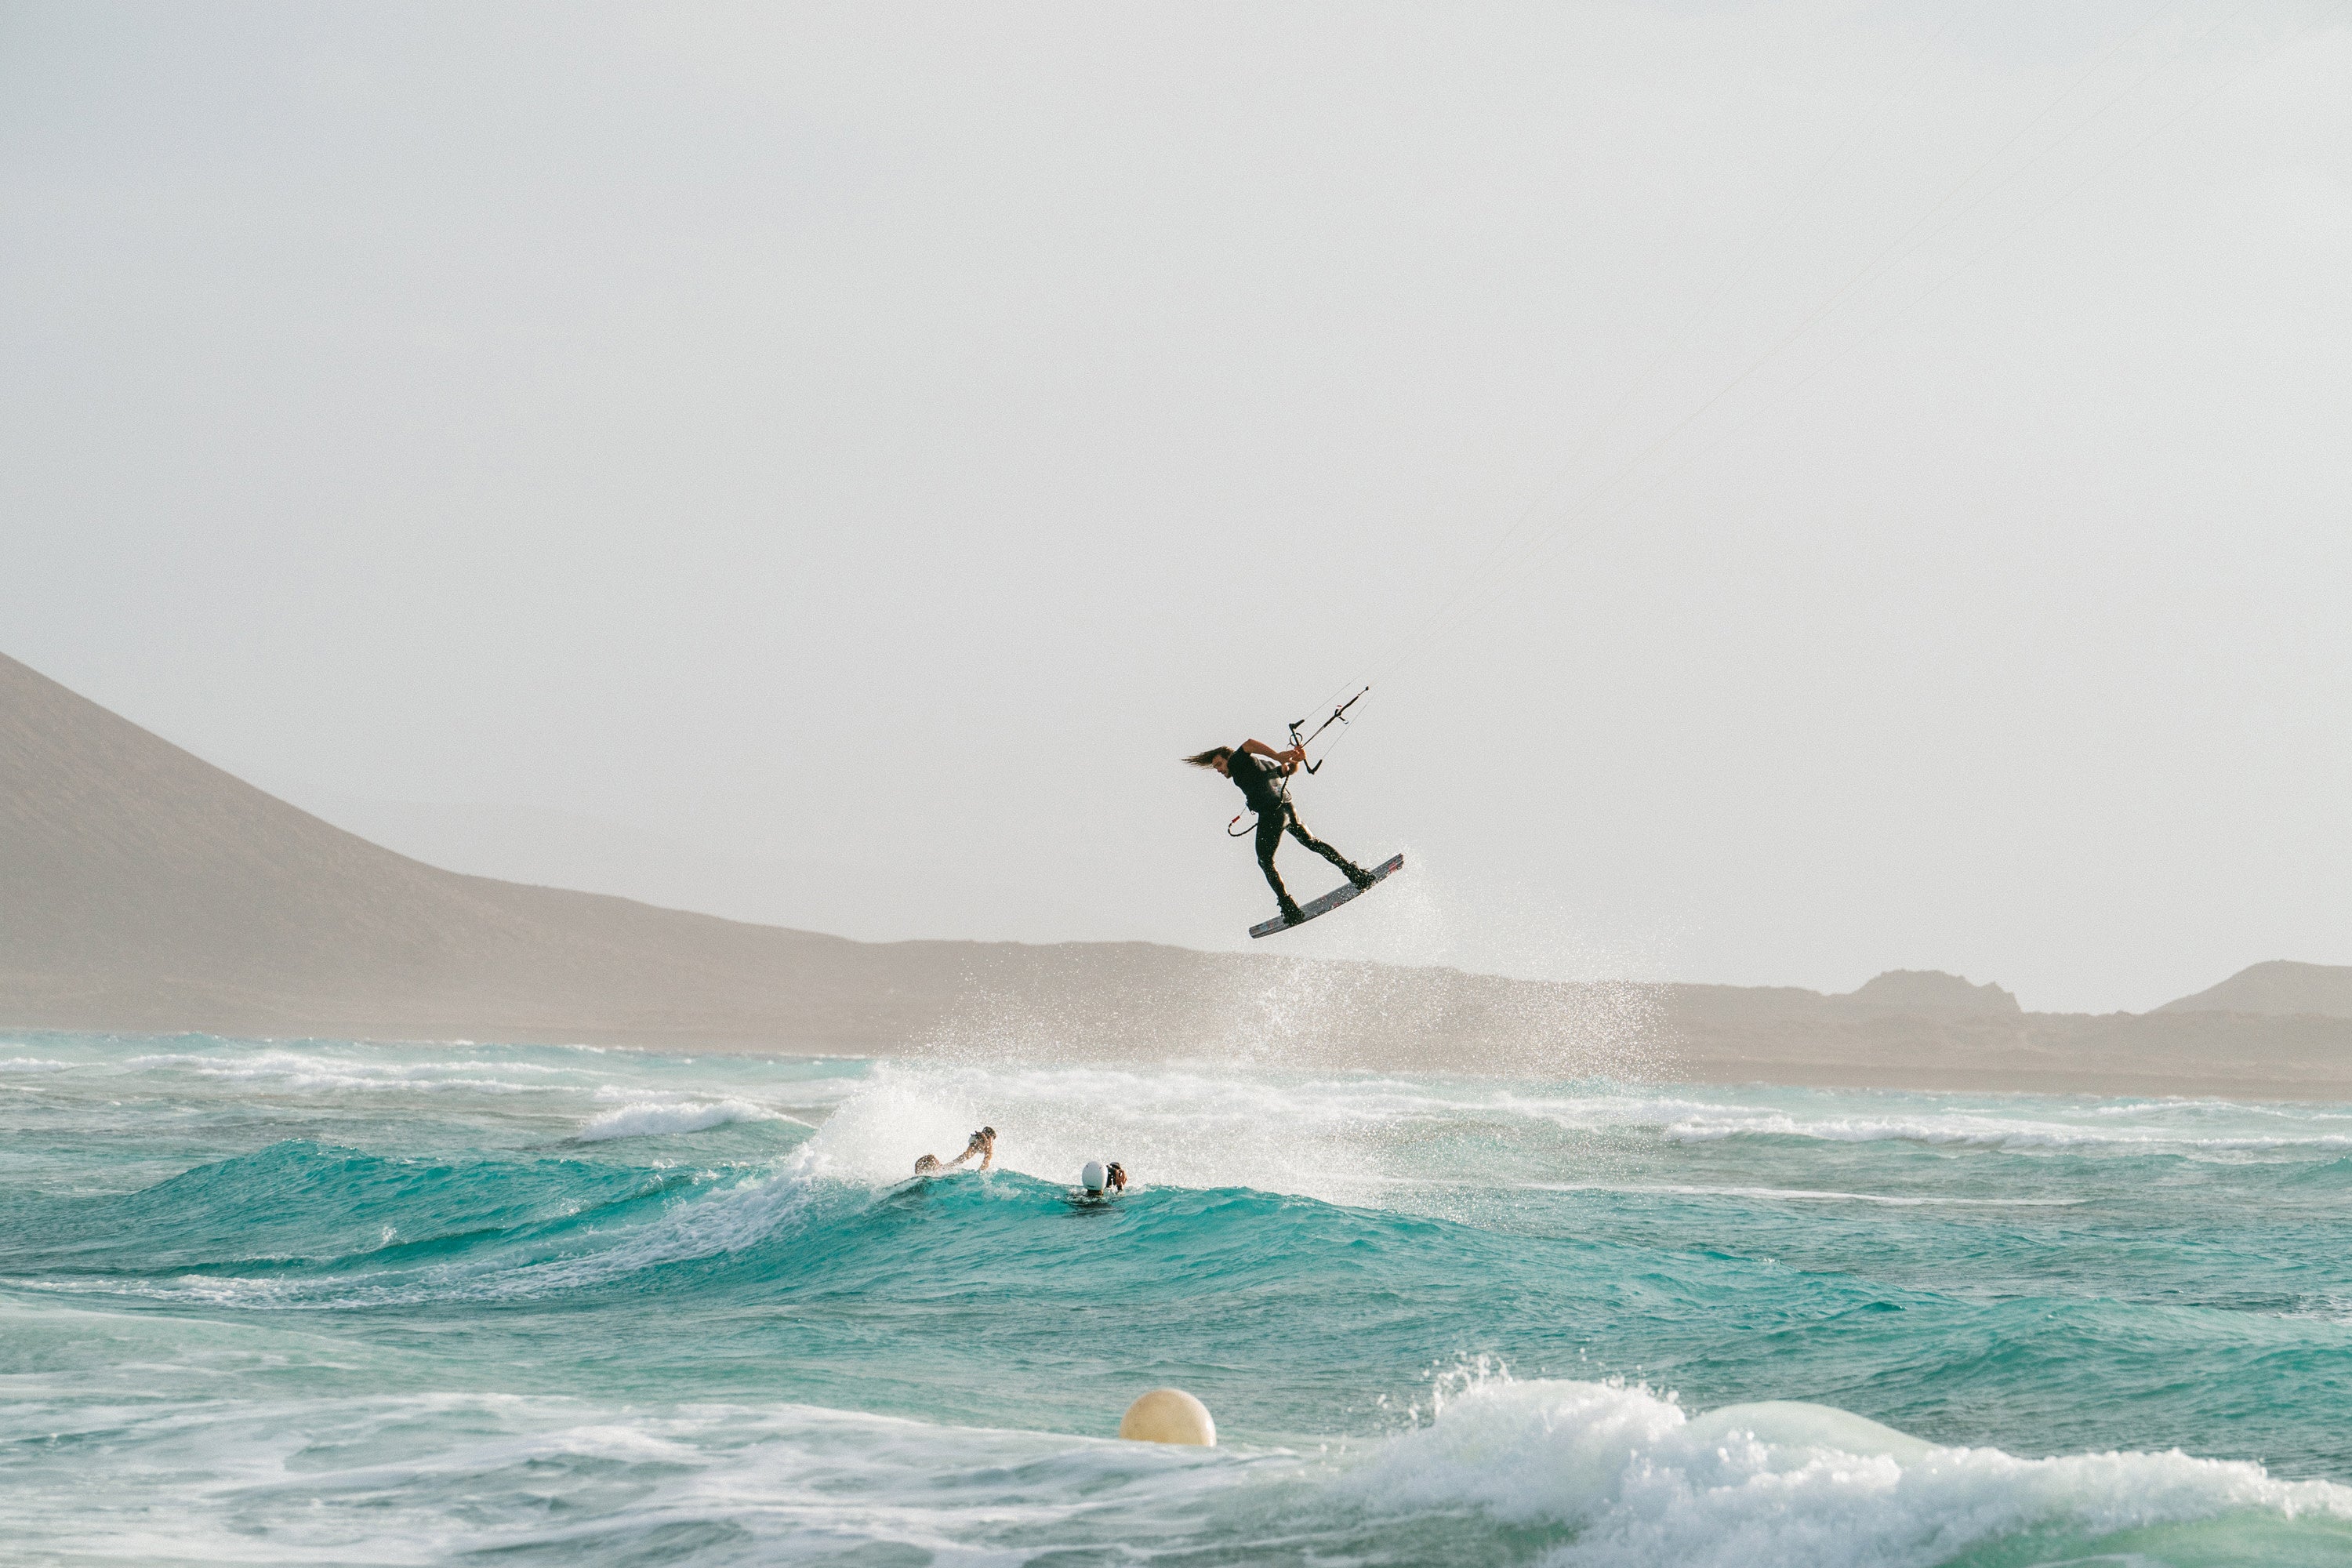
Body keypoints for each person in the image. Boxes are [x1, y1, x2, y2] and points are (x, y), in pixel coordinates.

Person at [1185, 740, 1374, 924]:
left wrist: (1278, 756)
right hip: (1289, 811)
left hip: (1272, 814)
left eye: (1219, 764)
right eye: (1216, 767)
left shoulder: (1237, 761)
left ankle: (1289, 907)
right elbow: (1287, 771)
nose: (1219, 770)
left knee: (1265, 861)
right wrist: (1296, 761)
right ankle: (1355, 874)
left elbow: (1249, 744)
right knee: (1313, 843)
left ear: (1229, 757)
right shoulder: (1261, 765)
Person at [913, 1125, 995, 1176]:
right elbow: (986, 1160)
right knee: (966, 1156)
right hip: (976, 1140)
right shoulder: (985, 1140)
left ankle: (945, 1167)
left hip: (977, 1140)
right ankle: (945, 1167)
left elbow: (986, 1161)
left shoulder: (987, 1141)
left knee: (965, 1157)